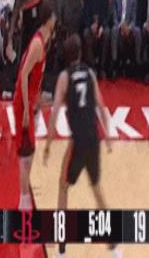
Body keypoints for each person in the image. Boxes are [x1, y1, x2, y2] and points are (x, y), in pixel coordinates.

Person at [44, 34, 120, 258]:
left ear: (66, 55)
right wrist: (108, 136)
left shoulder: (64, 77)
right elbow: (101, 106)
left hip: (77, 142)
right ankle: (115, 247)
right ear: (80, 53)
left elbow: (54, 112)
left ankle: (61, 250)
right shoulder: (90, 73)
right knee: (96, 188)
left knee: (63, 187)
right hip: (94, 138)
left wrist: (48, 145)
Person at [13, 0, 57, 210]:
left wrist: (38, 100)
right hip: (23, 102)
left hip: (30, 100)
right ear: (49, 18)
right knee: (26, 154)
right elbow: (23, 75)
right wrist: (25, 110)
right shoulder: (38, 44)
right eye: (55, 16)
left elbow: (33, 78)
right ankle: (23, 202)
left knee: (30, 150)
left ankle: (25, 197)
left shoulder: (45, 38)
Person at [111, 0, 141, 79]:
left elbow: (134, 18)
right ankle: (114, 64)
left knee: (137, 30)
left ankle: (137, 63)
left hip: (129, 26)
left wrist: (129, 27)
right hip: (119, 25)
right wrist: (121, 26)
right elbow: (114, 18)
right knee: (114, 30)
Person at [81, 0, 110, 78]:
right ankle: (92, 66)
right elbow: (85, 14)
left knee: (106, 33)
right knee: (86, 33)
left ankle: (101, 68)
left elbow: (106, 14)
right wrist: (91, 25)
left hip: (101, 24)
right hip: (91, 24)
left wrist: (101, 26)